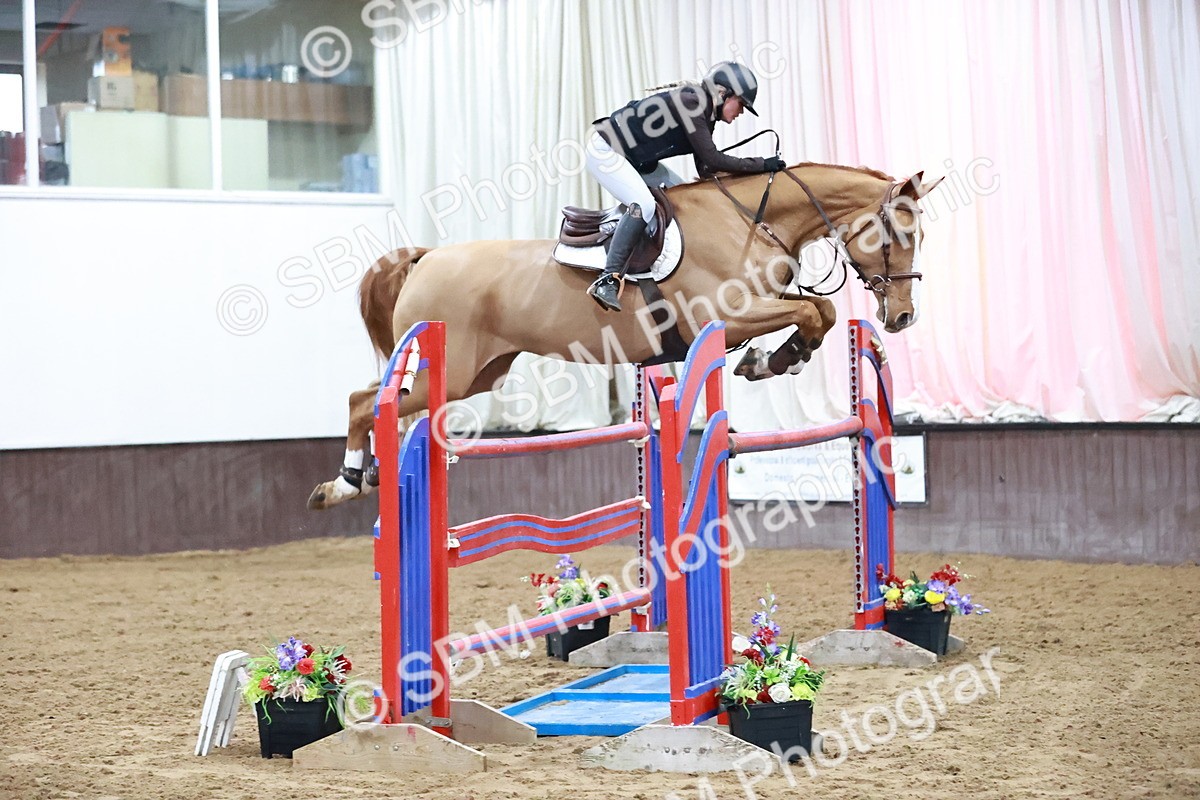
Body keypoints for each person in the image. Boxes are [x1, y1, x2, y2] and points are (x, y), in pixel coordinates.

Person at [584, 61, 786, 312]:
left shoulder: (705, 113)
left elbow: (705, 169)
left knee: (689, 200)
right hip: (607, 151)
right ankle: (607, 279)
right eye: (742, 104)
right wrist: (762, 164)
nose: (741, 112)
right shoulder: (693, 103)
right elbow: (712, 160)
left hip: (638, 161)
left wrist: (752, 177)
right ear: (723, 93)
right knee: (643, 204)